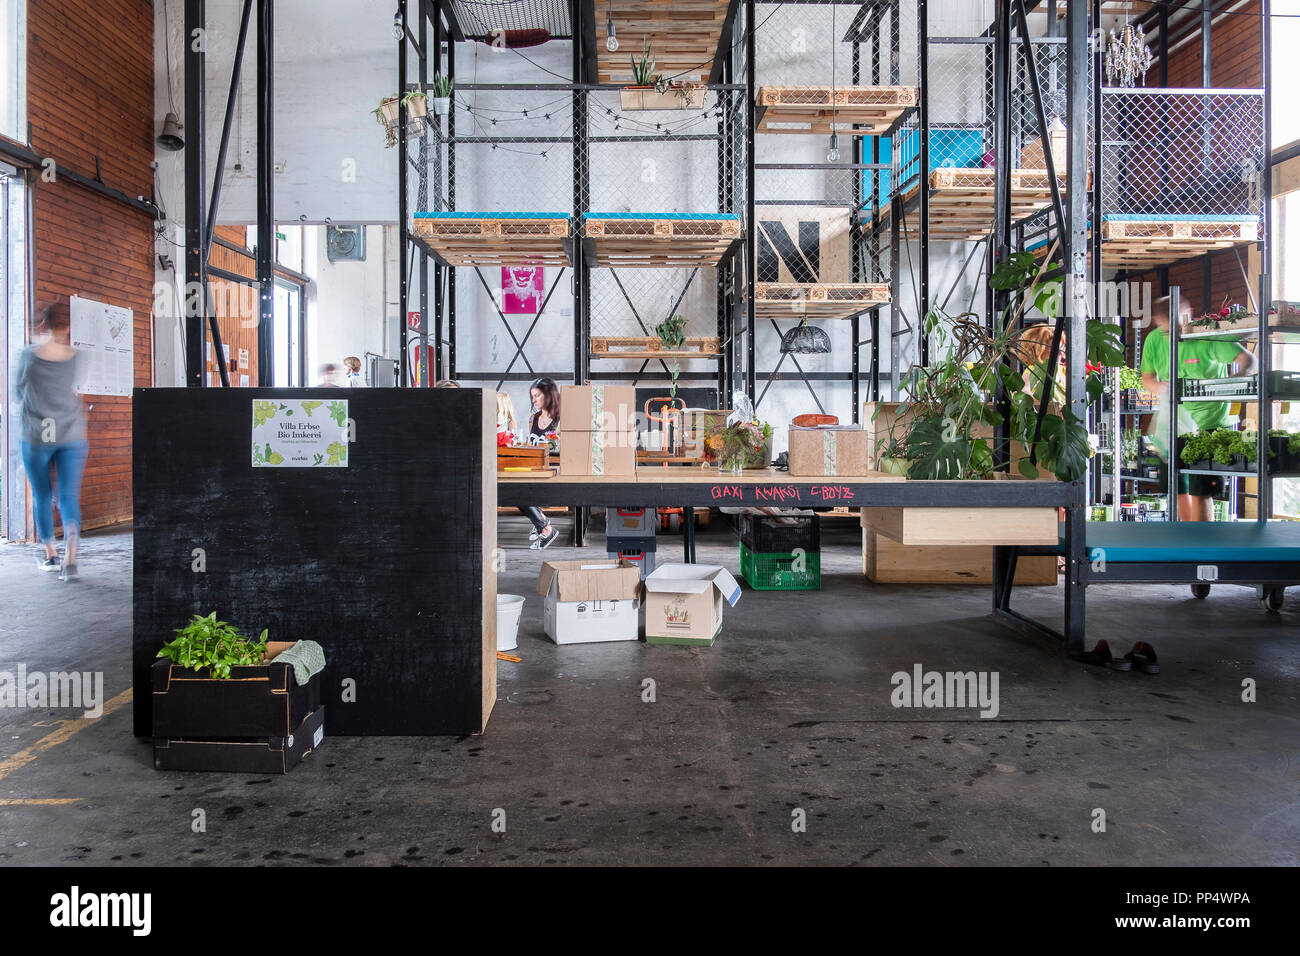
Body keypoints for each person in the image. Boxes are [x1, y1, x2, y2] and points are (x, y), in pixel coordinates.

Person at [1140, 295, 1257, 521]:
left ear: (1188, 314)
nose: (1172, 333)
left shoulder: (1206, 336)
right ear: (1157, 321)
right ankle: (1185, 543)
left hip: (1210, 424)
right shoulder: (1154, 340)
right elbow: (1147, 379)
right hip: (1175, 424)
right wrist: (1161, 386)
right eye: (1166, 328)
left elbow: (1248, 360)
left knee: (1202, 490)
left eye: (1177, 325)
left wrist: (1234, 380)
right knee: (1177, 487)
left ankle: (1203, 550)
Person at [13, 302, 89, 580]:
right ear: (68, 327)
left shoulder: (29, 356)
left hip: (36, 435)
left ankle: (50, 556)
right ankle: (71, 557)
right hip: (71, 434)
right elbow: (72, 391)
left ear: (43, 324)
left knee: (42, 495)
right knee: (68, 496)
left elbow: (18, 392)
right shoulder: (76, 357)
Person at [519, 377, 560, 549]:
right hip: (535, 468)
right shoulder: (533, 419)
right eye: (532, 397)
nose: (534, 400)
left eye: (537, 396)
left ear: (549, 395)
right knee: (514, 490)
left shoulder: (560, 419)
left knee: (520, 493)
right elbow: (531, 445)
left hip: (554, 469)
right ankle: (543, 525)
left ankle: (543, 527)